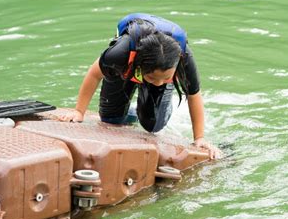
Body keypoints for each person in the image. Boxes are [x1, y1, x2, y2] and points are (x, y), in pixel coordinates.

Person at [60, 13, 220, 159]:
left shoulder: (183, 59)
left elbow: (193, 95)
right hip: (127, 70)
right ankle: (132, 111)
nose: (158, 83)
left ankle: (155, 102)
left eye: (166, 77)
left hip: (146, 69)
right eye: (152, 78)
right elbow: (94, 74)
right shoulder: (119, 54)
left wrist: (199, 138)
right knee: (111, 120)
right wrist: (79, 112)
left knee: (153, 126)